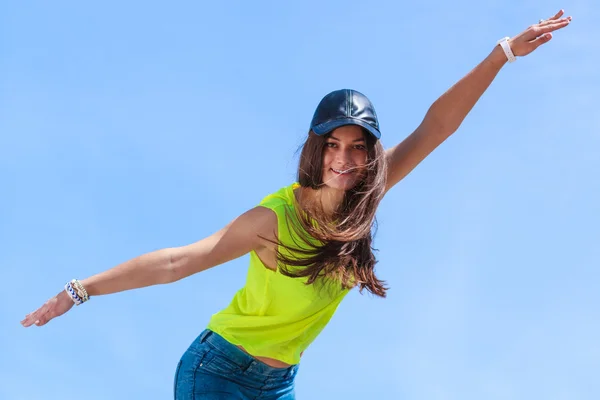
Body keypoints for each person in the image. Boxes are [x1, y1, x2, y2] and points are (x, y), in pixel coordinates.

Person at [21, 10, 571, 400]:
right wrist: (80, 290)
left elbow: (437, 126)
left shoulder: (368, 194)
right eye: (333, 144)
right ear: (316, 146)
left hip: (280, 383)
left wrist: (502, 54)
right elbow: (177, 262)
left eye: (358, 146)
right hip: (217, 372)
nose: (344, 158)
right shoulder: (272, 220)